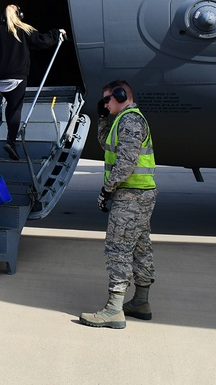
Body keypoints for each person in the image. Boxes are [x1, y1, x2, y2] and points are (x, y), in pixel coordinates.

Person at [79, 79, 157, 330]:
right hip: (139, 193)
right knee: (141, 246)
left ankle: (114, 309)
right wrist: (102, 118)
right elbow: (106, 145)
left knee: (118, 249)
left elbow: (126, 161)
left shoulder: (131, 120)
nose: (105, 103)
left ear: (123, 95)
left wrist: (107, 189)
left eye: (108, 99)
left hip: (130, 196)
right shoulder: (122, 121)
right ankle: (141, 302)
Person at [0, 4, 66, 160]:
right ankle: (11, 141)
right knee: (16, 108)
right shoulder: (24, 30)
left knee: (9, 104)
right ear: (19, 15)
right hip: (17, 77)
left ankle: (10, 136)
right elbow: (43, 41)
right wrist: (57, 33)